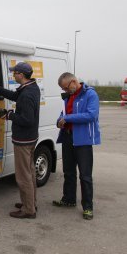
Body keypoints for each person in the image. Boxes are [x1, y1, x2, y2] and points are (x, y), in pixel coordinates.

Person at [0, 62, 40, 219]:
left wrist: (8, 115)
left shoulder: (27, 94)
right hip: (30, 138)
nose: (13, 75)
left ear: (21, 75)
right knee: (29, 173)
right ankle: (30, 203)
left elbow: (27, 119)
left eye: (14, 73)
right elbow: (16, 96)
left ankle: (29, 210)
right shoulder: (31, 88)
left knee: (23, 176)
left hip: (24, 139)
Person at [54, 72, 101, 220]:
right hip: (68, 137)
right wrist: (59, 120)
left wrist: (67, 118)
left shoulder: (90, 95)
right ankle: (69, 199)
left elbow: (91, 115)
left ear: (74, 82)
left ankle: (88, 207)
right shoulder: (68, 96)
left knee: (85, 176)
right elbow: (63, 113)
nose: (65, 91)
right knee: (68, 172)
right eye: (63, 89)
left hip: (83, 140)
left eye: (66, 88)